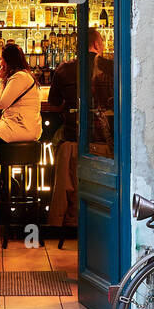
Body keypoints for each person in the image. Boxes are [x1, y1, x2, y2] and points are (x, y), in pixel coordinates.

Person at [46, 27, 112, 228]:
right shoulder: (111, 67)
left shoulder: (63, 69)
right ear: (98, 44)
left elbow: (54, 104)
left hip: (72, 141)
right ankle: (97, 226)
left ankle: (64, 223)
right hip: (103, 144)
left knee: (67, 184)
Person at [0, 41, 42, 148]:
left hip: (20, 128)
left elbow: (1, 103)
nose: (0, 63)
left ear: (9, 61)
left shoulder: (20, 77)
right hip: (22, 126)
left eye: (2, 59)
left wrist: (0, 79)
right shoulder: (22, 75)